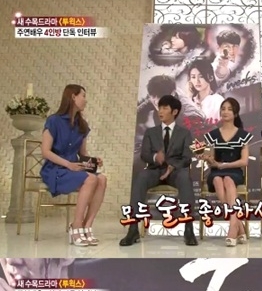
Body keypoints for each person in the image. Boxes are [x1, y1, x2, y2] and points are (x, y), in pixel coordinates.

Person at [120, 95, 198, 247]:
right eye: (159, 107)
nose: (160, 111)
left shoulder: (184, 133)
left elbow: (187, 157)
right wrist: (156, 157)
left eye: (164, 108)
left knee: (185, 178)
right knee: (141, 177)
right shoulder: (151, 132)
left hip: (175, 171)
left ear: (174, 111)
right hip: (155, 170)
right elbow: (144, 155)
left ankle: (188, 229)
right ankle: (133, 228)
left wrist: (172, 165)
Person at [40, 84, 107, 247]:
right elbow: (45, 151)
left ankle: (87, 226)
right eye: (83, 95)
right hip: (55, 169)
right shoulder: (53, 121)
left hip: (74, 169)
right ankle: (76, 225)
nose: (85, 100)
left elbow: (82, 154)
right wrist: (68, 164)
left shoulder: (82, 125)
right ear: (73, 97)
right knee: (91, 179)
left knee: (102, 179)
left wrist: (93, 160)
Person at [201, 98, 253, 246]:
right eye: (223, 109)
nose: (225, 112)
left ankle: (232, 227)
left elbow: (244, 161)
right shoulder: (213, 134)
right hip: (216, 172)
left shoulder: (243, 135)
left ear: (235, 113)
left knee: (228, 180)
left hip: (234, 172)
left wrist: (225, 165)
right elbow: (212, 159)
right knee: (218, 180)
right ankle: (237, 225)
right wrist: (207, 158)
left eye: (229, 109)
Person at [187, 57, 224, 123]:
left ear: (211, 77)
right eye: (193, 77)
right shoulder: (191, 101)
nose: (197, 81)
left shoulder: (218, 101)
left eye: (201, 76)